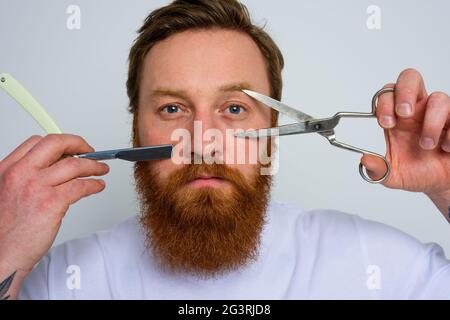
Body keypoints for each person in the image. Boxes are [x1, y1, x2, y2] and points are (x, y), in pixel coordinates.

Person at [0, 0, 449, 300]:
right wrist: (5, 250)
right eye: (173, 107)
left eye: (234, 107)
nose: (203, 140)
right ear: (135, 129)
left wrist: (447, 190)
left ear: (272, 126)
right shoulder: (60, 283)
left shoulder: (381, 268)